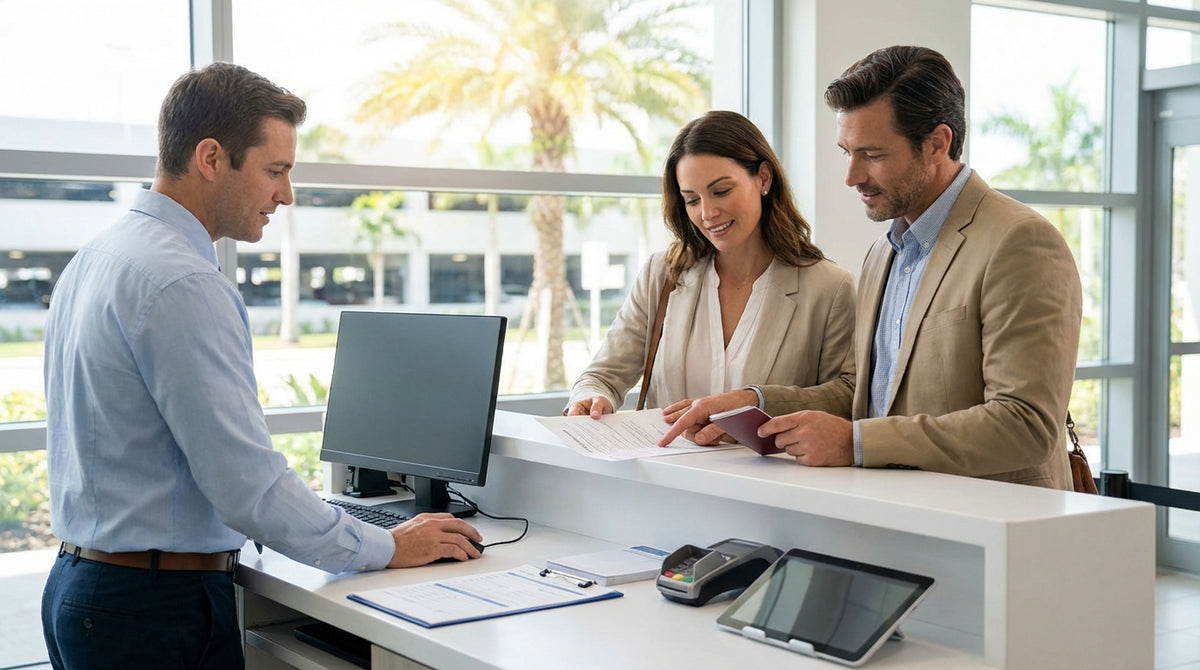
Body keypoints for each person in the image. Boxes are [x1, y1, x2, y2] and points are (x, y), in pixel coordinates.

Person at [40, 62, 482, 670]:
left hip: (83, 588)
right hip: (152, 610)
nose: (286, 194)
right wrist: (386, 545)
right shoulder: (183, 282)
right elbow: (245, 483)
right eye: (275, 171)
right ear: (212, 158)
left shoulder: (99, 256)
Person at [660, 46, 1082, 489]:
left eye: (872, 155)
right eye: (847, 152)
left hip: (996, 532)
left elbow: (1025, 425)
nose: (851, 175)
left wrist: (856, 442)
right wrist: (753, 402)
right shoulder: (884, 253)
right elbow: (862, 394)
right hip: (899, 519)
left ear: (938, 143)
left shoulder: (1019, 242)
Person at [565, 110, 855, 419]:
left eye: (721, 191)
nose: (707, 213)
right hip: (668, 466)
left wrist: (755, 401)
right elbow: (602, 375)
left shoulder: (830, 288)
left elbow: (844, 399)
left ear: (763, 178)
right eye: (692, 200)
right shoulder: (661, 274)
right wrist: (592, 397)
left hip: (772, 467)